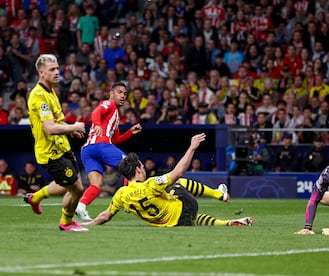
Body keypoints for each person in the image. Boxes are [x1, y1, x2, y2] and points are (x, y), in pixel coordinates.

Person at [84, 133, 254, 227]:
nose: (144, 169)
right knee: (177, 182)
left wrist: (89, 224)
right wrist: (192, 147)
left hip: (170, 222)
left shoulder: (120, 194)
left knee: (188, 216)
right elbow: (178, 172)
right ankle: (219, 196)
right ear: (137, 170)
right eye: (142, 167)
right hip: (186, 208)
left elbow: (105, 216)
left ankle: (227, 222)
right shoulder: (150, 184)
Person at [24, 54, 88, 232]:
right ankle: (66, 222)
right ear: (41, 72)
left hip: (62, 147)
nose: (57, 72)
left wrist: (70, 129)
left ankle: (35, 198)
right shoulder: (38, 95)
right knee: (76, 188)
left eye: (58, 68)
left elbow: (57, 122)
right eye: (52, 69)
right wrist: (74, 125)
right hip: (50, 152)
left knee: (73, 186)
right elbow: (50, 128)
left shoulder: (50, 90)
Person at [75, 82, 143, 221]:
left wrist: (130, 132)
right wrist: (98, 125)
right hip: (101, 145)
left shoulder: (115, 116)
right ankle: (130, 200)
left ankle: (81, 206)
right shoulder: (109, 104)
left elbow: (116, 139)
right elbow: (96, 112)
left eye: (125, 93)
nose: (123, 96)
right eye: (119, 92)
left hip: (87, 150)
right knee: (133, 166)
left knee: (96, 184)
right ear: (111, 93)